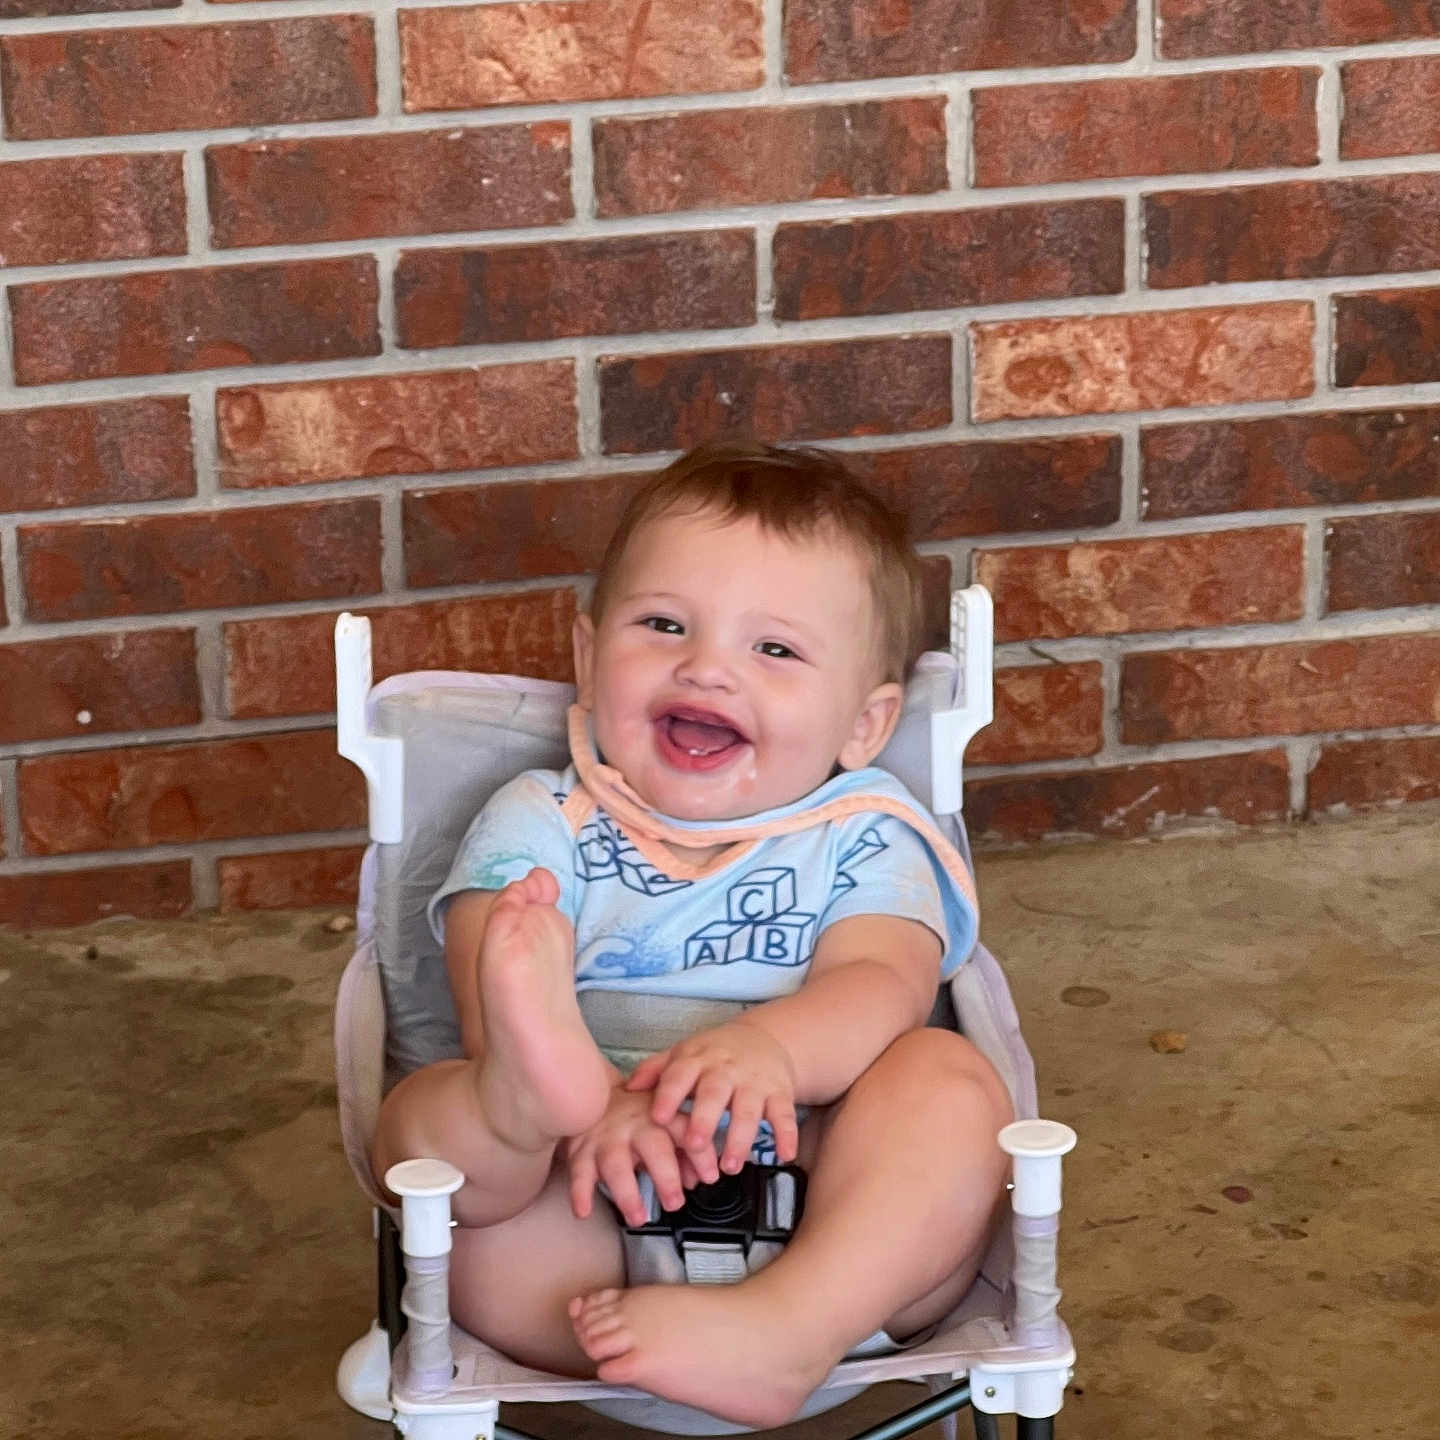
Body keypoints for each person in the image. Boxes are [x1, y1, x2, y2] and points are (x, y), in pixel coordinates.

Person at [371, 442, 1014, 1429]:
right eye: (664, 625)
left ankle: (786, 1329)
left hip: (820, 1196)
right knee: (425, 1126)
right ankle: (521, 1103)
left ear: (866, 722)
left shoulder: (866, 831)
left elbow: (883, 978)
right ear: (589, 659)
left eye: (776, 650)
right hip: (579, 1232)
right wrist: (579, 1112)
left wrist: (771, 1048)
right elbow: (480, 978)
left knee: (949, 1085)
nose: (707, 667)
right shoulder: (546, 817)